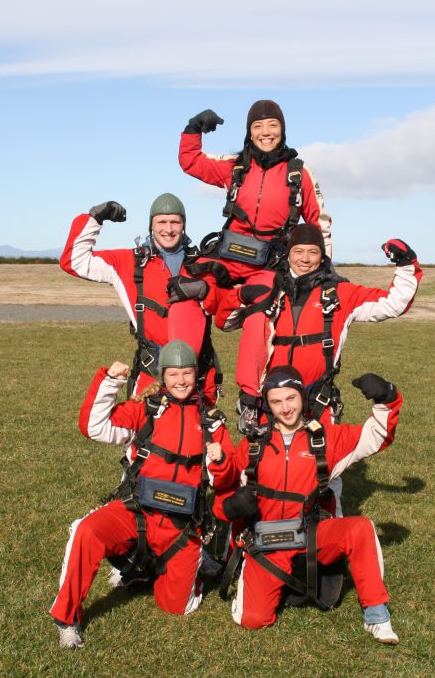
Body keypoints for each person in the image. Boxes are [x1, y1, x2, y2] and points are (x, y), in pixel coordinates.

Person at [49, 341, 237, 649]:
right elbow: (94, 427)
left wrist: (220, 461)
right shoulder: (146, 410)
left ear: (196, 375)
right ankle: (68, 618)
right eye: (173, 374)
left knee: (178, 608)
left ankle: (157, 567)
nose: (180, 381)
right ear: (163, 376)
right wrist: (109, 383)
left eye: (187, 373)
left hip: (181, 525)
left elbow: (224, 481)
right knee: (86, 531)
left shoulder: (211, 422)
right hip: (136, 511)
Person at [215, 366, 403, 644]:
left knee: (359, 528)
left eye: (291, 398)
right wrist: (231, 508)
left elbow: (377, 435)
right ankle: (255, 577)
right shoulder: (253, 445)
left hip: (311, 534)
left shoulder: (325, 438)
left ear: (303, 397)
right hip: (267, 540)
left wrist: (387, 397)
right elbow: (223, 492)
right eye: (276, 402)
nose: (285, 408)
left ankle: (377, 616)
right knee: (252, 619)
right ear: (267, 404)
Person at [166, 100, 331, 414]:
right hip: (227, 259)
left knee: (261, 312)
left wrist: (323, 271)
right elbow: (191, 162)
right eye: (258, 126)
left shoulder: (299, 174)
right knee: (183, 290)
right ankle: (180, 379)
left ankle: (250, 399)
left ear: (282, 129)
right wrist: (193, 128)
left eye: (272, 125)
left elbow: (318, 221)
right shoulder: (235, 166)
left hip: (269, 267)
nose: (265, 132)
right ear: (249, 131)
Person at [202, 225, 421, 441]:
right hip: (272, 404)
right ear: (288, 254)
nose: (305, 259)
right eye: (298, 251)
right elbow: (225, 321)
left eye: (313, 252)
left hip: (317, 404)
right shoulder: (269, 288)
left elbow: (393, 303)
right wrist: (242, 296)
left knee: (322, 470)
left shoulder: (340, 294)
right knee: (265, 470)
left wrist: (405, 264)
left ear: (322, 256)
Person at [59, 193, 220, 404]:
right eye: (161, 222)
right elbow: (74, 261)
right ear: (151, 225)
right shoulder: (129, 263)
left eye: (175, 222)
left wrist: (205, 290)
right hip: (150, 378)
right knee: (148, 436)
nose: (169, 229)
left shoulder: (203, 264)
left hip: (198, 380)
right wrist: (95, 218)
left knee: (198, 437)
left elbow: (228, 309)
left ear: (184, 225)